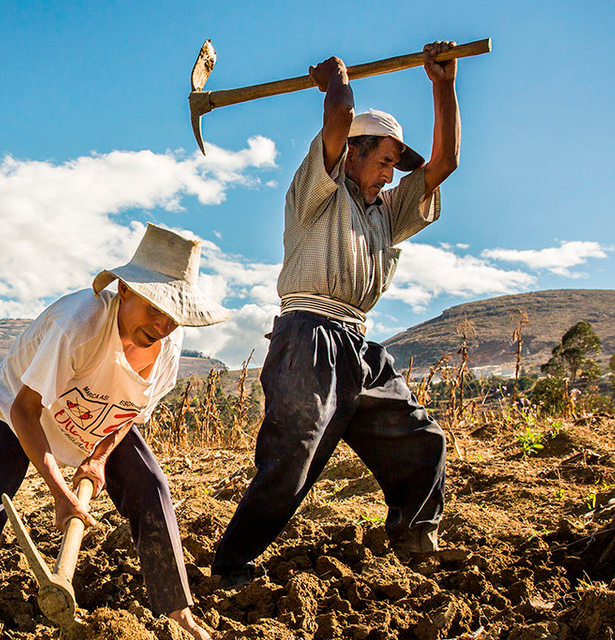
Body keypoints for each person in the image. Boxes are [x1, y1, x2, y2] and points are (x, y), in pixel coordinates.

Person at [211, 41, 461, 586]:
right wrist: (337, 82)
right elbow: (342, 115)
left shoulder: (384, 214)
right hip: (308, 335)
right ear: (352, 152)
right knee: (292, 457)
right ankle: (231, 564)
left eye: (395, 166)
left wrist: (443, 85)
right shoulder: (317, 193)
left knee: (421, 438)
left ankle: (414, 536)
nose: (392, 176)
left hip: (359, 344)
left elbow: (445, 163)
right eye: (385, 161)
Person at [0, 224, 228, 639]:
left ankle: (177, 610)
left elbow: (130, 412)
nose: (164, 325)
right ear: (125, 290)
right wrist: (61, 493)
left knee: (152, 486)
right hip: (19, 413)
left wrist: (97, 459)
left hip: (94, 422)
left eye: (174, 317)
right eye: (155, 309)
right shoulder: (78, 325)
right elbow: (25, 411)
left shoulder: (169, 345)